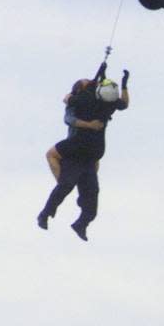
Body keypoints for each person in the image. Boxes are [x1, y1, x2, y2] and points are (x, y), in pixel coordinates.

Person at [37, 62, 129, 241]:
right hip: (75, 155)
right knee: (65, 185)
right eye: (87, 82)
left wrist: (124, 85)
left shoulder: (103, 104)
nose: (91, 82)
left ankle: (81, 224)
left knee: (92, 202)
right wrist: (89, 124)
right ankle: (45, 214)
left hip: (89, 161)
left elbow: (123, 104)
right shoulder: (79, 102)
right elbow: (69, 111)